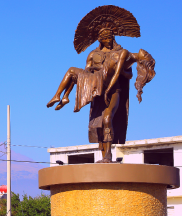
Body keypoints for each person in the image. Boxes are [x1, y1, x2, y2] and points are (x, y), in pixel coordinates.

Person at [46, 5, 155, 163]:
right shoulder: (93, 54)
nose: (108, 39)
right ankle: (60, 97)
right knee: (97, 124)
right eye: (105, 37)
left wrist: (118, 73)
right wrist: (99, 69)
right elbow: (87, 71)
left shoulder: (120, 53)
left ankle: (108, 156)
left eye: (110, 36)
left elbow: (129, 74)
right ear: (100, 39)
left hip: (114, 91)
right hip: (97, 89)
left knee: (107, 119)